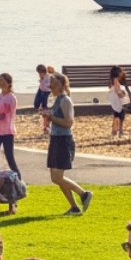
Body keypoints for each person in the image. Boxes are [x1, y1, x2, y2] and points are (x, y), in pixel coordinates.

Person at [41, 73, 91, 214]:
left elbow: (69, 123)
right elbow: (58, 118)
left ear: (62, 86)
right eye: (51, 84)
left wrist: (51, 117)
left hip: (63, 141)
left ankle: (83, 194)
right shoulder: (57, 100)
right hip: (56, 139)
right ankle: (74, 207)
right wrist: (49, 115)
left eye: (55, 84)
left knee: (57, 177)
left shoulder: (65, 101)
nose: (52, 87)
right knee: (55, 178)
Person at [0, 73, 18, 174]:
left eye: (2, 81)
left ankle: (17, 179)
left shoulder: (11, 98)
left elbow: (6, 112)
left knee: (9, 158)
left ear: (8, 83)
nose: (0, 83)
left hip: (7, 132)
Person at [107, 67, 131, 138]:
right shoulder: (116, 82)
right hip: (118, 102)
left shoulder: (113, 81)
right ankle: (120, 131)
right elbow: (118, 92)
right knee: (120, 116)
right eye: (121, 72)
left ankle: (115, 131)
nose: (122, 73)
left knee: (116, 115)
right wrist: (123, 94)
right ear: (118, 73)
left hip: (115, 101)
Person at [33, 64, 52, 134]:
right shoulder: (48, 77)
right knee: (45, 112)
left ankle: (46, 128)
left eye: (40, 74)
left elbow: (44, 87)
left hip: (45, 93)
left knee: (45, 112)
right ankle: (46, 128)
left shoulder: (46, 79)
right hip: (45, 93)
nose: (39, 76)